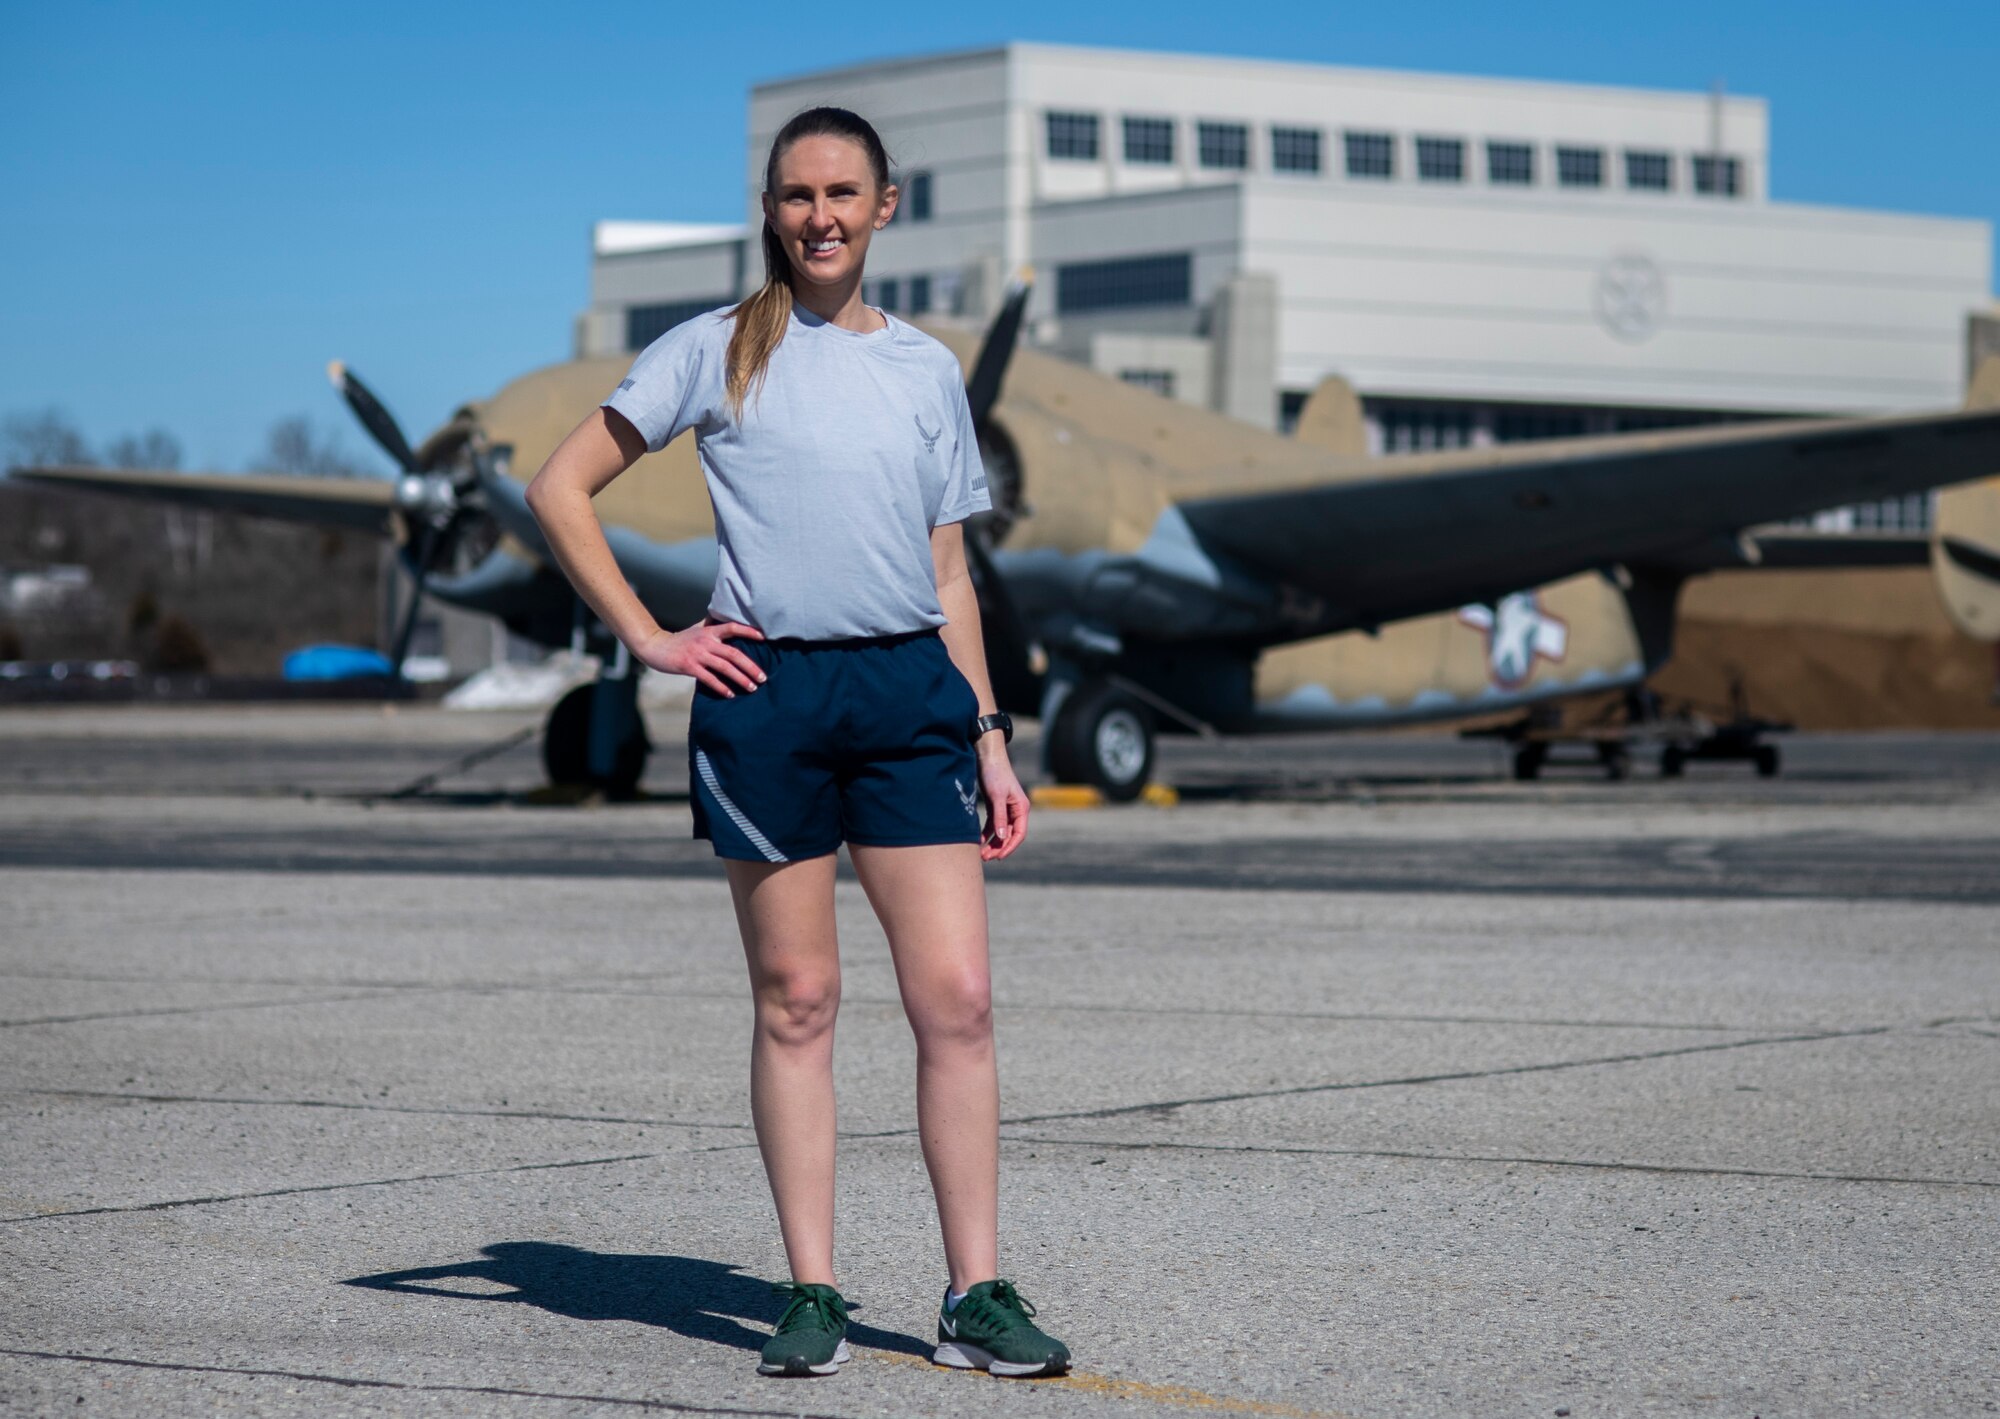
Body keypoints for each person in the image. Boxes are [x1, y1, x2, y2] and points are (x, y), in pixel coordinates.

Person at [523, 106, 1070, 1381]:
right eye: (794, 195)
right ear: (769, 213)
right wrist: (652, 638)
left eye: (842, 192)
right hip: (765, 699)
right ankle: (812, 1289)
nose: (818, 214)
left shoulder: (926, 371)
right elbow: (560, 488)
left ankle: (973, 1293)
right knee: (799, 1002)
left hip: (908, 700)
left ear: (885, 205)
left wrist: (988, 736)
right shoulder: (712, 352)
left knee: (960, 1004)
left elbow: (948, 574)